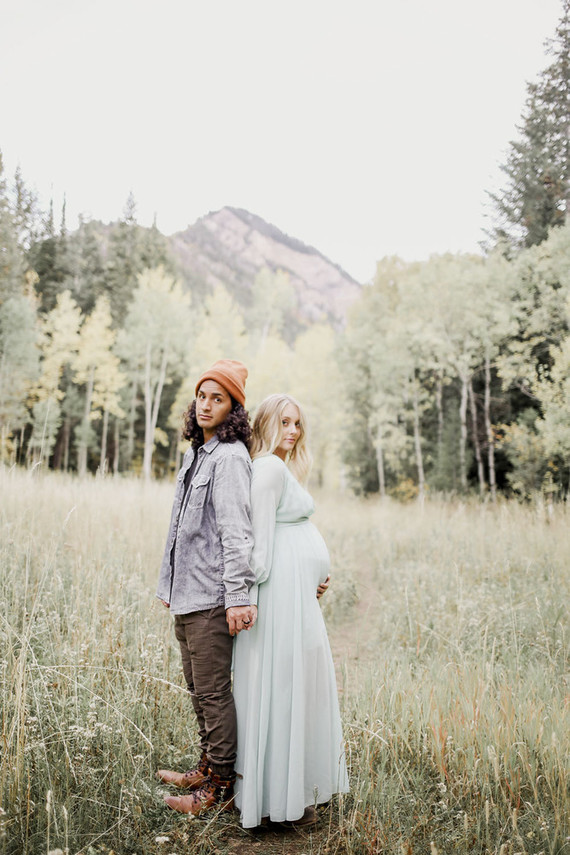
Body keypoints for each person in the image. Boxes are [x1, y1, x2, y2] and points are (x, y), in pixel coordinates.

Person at [232, 393, 349, 829]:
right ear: (264, 423)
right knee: (279, 688)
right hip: (277, 598)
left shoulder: (278, 468)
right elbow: (259, 548)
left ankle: (288, 793)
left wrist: (308, 574)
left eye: (297, 424)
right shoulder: (267, 468)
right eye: (284, 422)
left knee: (292, 685)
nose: (293, 432)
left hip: (293, 594)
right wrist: (248, 598)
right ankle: (272, 802)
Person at [155, 359, 257, 816]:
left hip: (213, 599)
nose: (205, 404)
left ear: (233, 406)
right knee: (198, 689)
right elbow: (180, 530)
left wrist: (238, 597)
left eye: (217, 398)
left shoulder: (232, 458)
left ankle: (218, 788)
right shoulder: (198, 453)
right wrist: (167, 584)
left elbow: (237, 533)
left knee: (213, 693)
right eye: (201, 395)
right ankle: (205, 766)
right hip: (186, 593)